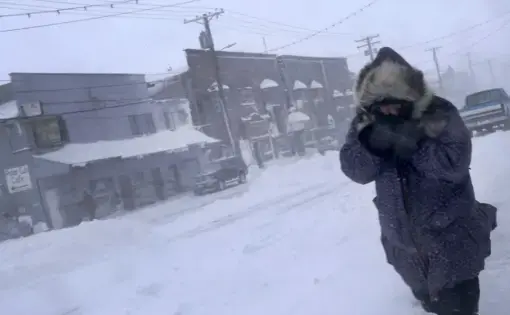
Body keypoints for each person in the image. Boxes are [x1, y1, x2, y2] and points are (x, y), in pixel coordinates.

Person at [339, 47, 495, 315]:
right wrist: (374, 145)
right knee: (429, 303)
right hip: (405, 250)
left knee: (460, 308)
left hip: (453, 242)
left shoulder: (439, 112)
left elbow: (454, 162)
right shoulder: (364, 123)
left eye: (395, 101)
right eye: (380, 103)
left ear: (410, 96)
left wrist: (411, 141)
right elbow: (356, 170)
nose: (387, 108)